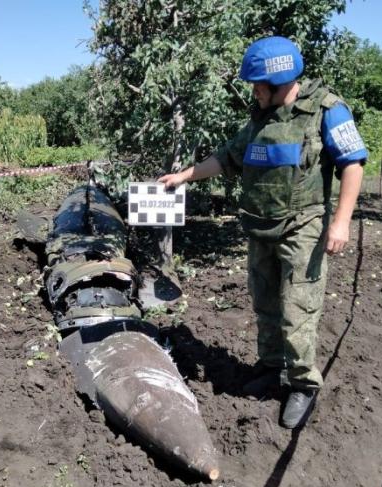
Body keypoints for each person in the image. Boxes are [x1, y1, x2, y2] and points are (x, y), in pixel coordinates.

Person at [158, 36, 368, 429]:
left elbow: (353, 165)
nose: (253, 93)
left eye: (257, 86)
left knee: (297, 310)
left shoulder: (327, 111)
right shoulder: (259, 119)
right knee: (266, 303)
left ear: (280, 81)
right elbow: (226, 158)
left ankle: (303, 384)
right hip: (261, 228)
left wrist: (341, 222)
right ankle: (272, 368)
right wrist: (184, 176)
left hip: (303, 229)